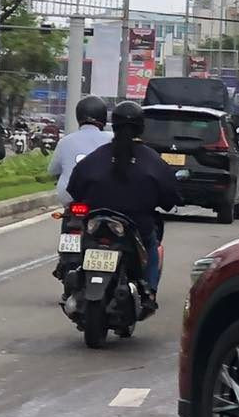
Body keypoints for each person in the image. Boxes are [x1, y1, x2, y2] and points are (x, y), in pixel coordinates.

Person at [66, 102, 182, 314]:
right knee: (153, 247)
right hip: (137, 227)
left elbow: (75, 187)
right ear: (141, 127)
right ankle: (149, 292)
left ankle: (75, 281)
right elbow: (169, 196)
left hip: (96, 225)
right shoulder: (152, 161)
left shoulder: (96, 157)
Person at [47, 96, 112, 206]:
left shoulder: (65, 141)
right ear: (103, 117)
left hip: (70, 199)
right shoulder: (112, 139)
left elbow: (53, 170)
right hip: (103, 199)